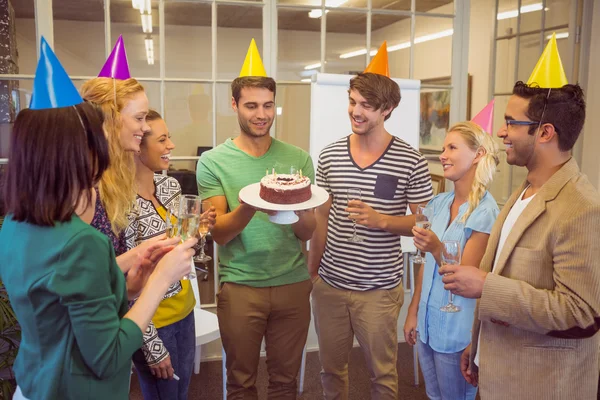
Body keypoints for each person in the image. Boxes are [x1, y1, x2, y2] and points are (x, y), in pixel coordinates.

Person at [0, 42, 196, 399]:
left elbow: (65, 300)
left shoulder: (14, 224)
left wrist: (130, 279)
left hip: (34, 385)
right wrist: (161, 279)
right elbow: (107, 355)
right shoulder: (81, 241)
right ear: (76, 151)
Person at [441, 79, 600, 398]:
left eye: (512, 123)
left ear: (545, 132)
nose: (501, 132)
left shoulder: (581, 207)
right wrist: (480, 343)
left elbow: (581, 314)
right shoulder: (523, 192)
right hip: (498, 372)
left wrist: (486, 286)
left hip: (538, 384)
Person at [308, 45, 434, 400]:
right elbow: (322, 216)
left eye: (366, 105)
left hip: (379, 291)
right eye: (352, 102)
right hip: (330, 286)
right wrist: (312, 271)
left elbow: (426, 223)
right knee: (331, 371)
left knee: (382, 376)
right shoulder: (330, 154)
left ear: (388, 109)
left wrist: (382, 221)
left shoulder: (410, 160)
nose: (355, 111)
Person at [196, 39, 315, 399]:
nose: (261, 114)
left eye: (268, 105)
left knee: (285, 382)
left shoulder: (299, 159)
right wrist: (255, 201)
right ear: (234, 105)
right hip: (241, 286)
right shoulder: (213, 162)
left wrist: (289, 206)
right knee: (241, 382)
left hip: (292, 284)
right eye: (251, 106)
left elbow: (307, 230)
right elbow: (220, 236)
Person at [403, 120, 499, 400]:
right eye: (443, 147)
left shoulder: (486, 212)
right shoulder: (437, 204)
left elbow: (465, 275)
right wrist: (413, 311)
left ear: (478, 154)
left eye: (452, 147)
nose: (442, 155)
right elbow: (426, 268)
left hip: (458, 330)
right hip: (427, 322)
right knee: (434, 396)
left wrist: (435, 247)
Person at [125, 110, 216, 399]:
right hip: (153, 322)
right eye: (162, 139)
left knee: (182, 392)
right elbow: (127, 283)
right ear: (138, 144)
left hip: (185, 309)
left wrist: (200, 231)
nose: (171, 146)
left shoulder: (170, 186)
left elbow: (180, 246)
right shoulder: (122, 203)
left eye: (169, 138)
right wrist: (150, 345)